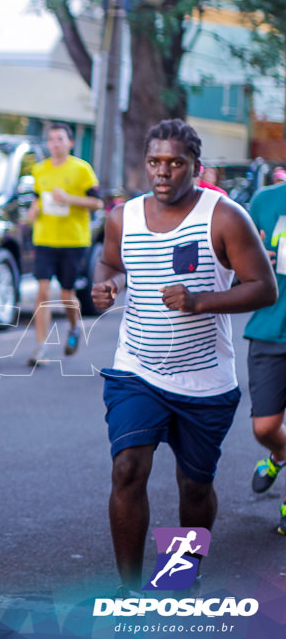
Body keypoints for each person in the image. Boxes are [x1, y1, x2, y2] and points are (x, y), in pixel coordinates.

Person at [91, 119, 277, 593]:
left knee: (194, 486)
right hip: (138, 368)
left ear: (196, 166)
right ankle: (130, 589)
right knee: (127, 467)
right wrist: (109, 283)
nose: (163, 172)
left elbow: (264, 287)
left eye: (175, 163)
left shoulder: (224, 216)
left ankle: (178, 574)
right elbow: (112, 261)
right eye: (155, 162)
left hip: (205, 381)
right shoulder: (123, 217)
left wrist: (200, 301)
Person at [26, 123, 104, 366]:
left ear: (70, 143)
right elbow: (37, 199)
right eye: (51, 139)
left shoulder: (82, 169)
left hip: (73, 239)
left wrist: (69, 199)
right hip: (44, 238)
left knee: (67, 293)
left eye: (60, 139)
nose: (55, 143)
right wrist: (33, 210)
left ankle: (74, 327)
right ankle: (41, 347)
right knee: (43, 292)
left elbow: (98, 204)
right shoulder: (39, 170)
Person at [242, 172, 286, 535]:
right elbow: (237, 267)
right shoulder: (264, 202)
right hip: (271, 327)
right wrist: (257, 262)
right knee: (265, 426)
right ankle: (279, 454)